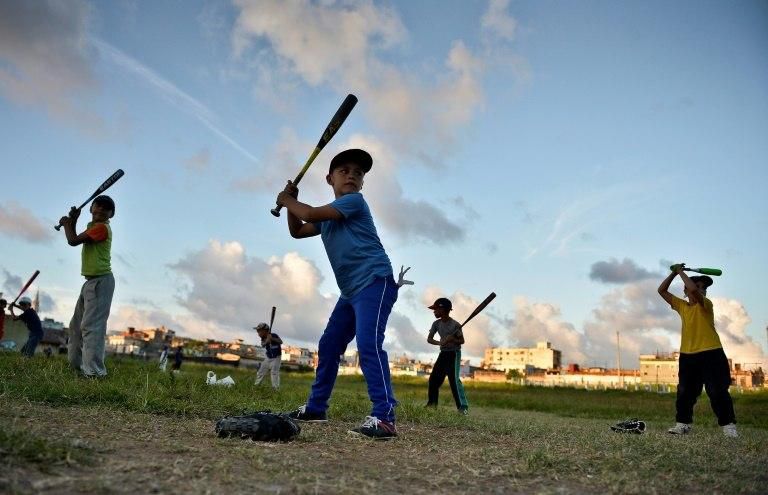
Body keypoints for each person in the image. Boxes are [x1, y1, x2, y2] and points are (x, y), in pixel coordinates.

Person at [275, 148, 400, 439]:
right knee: (329, 344)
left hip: (375, 281)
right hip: (350, 291)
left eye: (358, 173)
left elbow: (307, 212)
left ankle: (384, 417)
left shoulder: (354, 202)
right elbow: (299, 229)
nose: (352, 176)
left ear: (362, 183)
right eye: (345, 171)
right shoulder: (329, 216)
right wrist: (290, 203)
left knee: (368, 344)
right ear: (329, 178)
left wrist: (287, 200)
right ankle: (317, 407)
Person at [658, 263, 738, 438]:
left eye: (704, 288)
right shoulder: (682, 307)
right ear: (684, 292)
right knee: (685, 392)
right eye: (697, 286)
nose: (701, 290)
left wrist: (680, 271)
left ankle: (728, 426)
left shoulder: (706, 305)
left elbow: (694, 291)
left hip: (712, 353)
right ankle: (683, 424)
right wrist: (673, 274)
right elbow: (662, 290)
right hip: (688, 355)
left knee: (717, 391)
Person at [58, 195, 116, 378]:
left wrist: (67, 222)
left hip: (101, 282)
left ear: (111, 214)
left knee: (92, 327)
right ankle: (76, 367)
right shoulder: (92, 227)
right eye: (97, 206)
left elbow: (72, 240)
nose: (100, 210)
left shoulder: (102, 228)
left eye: (105, 209)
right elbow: (76, 236)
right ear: (91, 209)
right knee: (76, 327)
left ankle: (95, 373)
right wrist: (73, 220)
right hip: (90, 282)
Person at [425, 297, 469, 414]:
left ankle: (462, 408)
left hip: (454, 354)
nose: (434, 312)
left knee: (454, 380)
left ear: (443, 309)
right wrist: (441, 342)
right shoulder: (436, 324)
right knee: (434, 379)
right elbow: (429, 339)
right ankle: (432, 404)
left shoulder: (455, 325)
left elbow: (462, 341)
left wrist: (452, 339)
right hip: (443, 354)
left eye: (436, 310)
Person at [254, 322, 283, 390]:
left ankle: (275, 389)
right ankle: (256, 385)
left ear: (264, 331)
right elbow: (263, 344)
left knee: (274, 372)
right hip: (268, 357)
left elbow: (280, 342)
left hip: (276, 357)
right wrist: (267, 340)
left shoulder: (274, 335)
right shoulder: (263, 338)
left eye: (259, 331)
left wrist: (272, 339)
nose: (258, 333)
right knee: (261, 371)